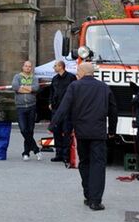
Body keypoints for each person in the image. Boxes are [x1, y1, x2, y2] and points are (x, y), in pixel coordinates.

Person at [49, 62, 117, 211]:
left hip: (81, 132)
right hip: (98, 133)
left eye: (78, 71)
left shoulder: (74, 86)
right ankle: (96, 200)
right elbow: (113, 110)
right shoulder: (104, 87)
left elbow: (64, 106)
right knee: (98, 165)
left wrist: (53, 124)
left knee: (85, 163)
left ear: (81, 71)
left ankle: (88, 195)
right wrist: (112, 130)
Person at [11, 60, 41, 160]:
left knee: (30, 130)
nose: (28, 68)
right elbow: (15, 87)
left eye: (29, 66)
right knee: (23, 129)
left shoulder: (34, 78)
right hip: (20, 107)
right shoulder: (17, 77)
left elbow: (36, 88)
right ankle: (36, 149)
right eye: (26, 66)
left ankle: (26, 152)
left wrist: (23, 88)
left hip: (32, 106)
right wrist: (29, 89)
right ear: (22, 67)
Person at [49, 61, 76, 164]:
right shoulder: (55, 79)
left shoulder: (71, 78)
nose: (54, 67)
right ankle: (58, 154)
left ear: (61, 66)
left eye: (55, 66)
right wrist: (50, 102)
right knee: (56, 131)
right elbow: (51, 91)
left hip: (66, 109)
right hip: (56, 108)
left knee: (66, 131)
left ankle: (66, 155)